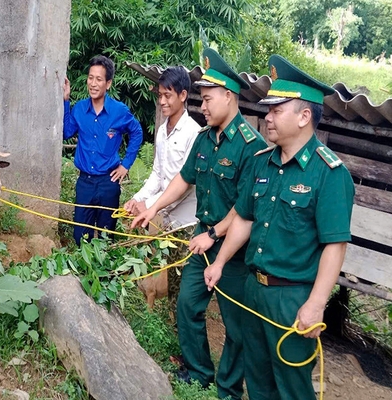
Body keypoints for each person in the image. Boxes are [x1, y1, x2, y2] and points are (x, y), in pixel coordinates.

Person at [204, 55, 354, 400]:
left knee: (292, 387)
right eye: (267, 110)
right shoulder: (263, 163)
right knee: (257, 379)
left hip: (292, 297)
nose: (267, 117)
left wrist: (316, 304)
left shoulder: (328, 174)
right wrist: (221, 262)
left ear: (304, 117)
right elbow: (243, 219)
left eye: (276, 110)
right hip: (253, 289)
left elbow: (335, 245)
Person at [132, 48, 267, 400]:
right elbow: (183, 178)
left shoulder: (251, 147)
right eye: (200, 99)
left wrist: (214, 234)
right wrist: (153, 207)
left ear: (228, 96)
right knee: (188, 304)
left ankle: (227, 388)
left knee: (235, 324)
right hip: (202, 237)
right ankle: (198, 371)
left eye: (207, 100)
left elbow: (245, 208)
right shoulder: (206, 139)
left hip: (232, 246)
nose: (202, 107)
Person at [64, 55, 143, 245]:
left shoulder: (119, 111)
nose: (93, 83)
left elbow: (137, 132)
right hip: (85, 183)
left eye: (99, 79)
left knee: (107, 235)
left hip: (109, 182)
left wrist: (125, 165)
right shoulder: (80, 109)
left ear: (108, 83)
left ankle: (105, 273)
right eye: (90, 78)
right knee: (80, 237)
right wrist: (66, 100)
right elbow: (66, 132)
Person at [123, 66, 200, 229]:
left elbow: (185, 184)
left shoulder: (194, 133)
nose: (162, 101)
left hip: (184, 222)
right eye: (160, 95)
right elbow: (158, 174)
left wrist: (150, 204)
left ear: (183, 95)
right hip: (160, 215)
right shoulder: (162, 131)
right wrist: (137, 199)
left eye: (167, 95)